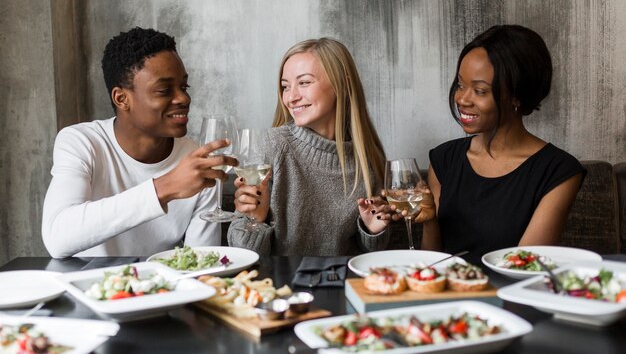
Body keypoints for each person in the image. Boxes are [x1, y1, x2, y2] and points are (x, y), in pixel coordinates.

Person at [42, 27, 237, 258]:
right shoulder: (82, 142)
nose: (184, 98)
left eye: (184, 87)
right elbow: (57, 238)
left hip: (163, 288)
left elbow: (202, 262)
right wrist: (165, 187)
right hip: (90, 287)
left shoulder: (195, 159)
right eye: (164, 90)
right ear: (122, 98)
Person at [228, 38, 421, 256]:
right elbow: (240, 254)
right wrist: (256, 219)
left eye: (304, 82)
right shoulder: (274, 146)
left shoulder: (367, 157)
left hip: (341, 283)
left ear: (343, 84)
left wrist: (371, 230)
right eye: (285, 86)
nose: (291, 97)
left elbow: (370, 251)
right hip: (281, 286)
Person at [422, 24, 586, 264]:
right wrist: (429, 221)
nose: (462, 99)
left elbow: (524, 266)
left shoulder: (557, 172)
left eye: (479, 90)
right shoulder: (444, 160)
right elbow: (430, 266)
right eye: (460, 85)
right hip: (446, 297)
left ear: (517, 96)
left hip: (512, 298)